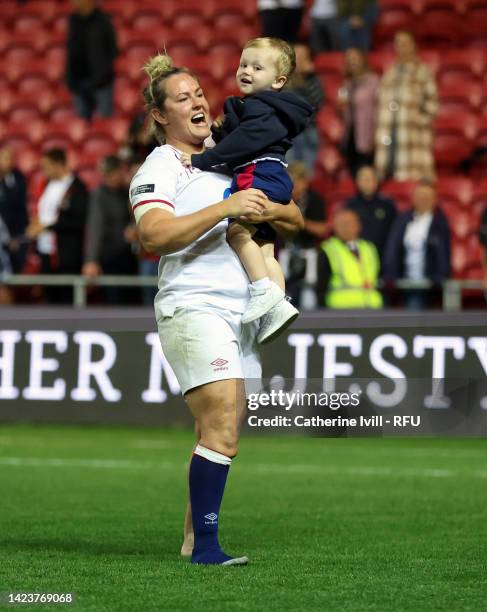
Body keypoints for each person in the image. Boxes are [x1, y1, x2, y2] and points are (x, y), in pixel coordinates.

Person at [129, 53, 304, 565]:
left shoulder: (231, 150)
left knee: (221, 432)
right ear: (161, 116)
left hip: (242, 308)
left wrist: (269, 209)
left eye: (199, 93)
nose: (199, 102)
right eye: (183, 99)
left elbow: (293, 217)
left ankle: (192, 539)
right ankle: (206, 548)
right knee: (223, 424)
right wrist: (227, 207)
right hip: (194, 304)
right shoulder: (162, 165)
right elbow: (152, 234)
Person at [181, 37, 313, 325]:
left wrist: (205, 158)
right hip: (271, 173)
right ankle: (278, 307)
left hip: (257, 173)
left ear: (278, 81)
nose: (246, 71)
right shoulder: (268, 109)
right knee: (265, 248)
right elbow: (244, 137)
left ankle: (263, 290)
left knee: (237, 232)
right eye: (243, 65)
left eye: (257, 67)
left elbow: (245, 142)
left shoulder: (262, 107)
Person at [26, 148, 89, 304]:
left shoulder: (77, 188)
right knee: (49, 296)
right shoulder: (45, 185)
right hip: (45, 250)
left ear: (58, 164)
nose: (44, 170)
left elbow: (78, 221)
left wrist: (46, 227)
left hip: (66, 254)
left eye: (46, 166)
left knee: (66, 297)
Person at [375, 31, 438, 181]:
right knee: (388, 179)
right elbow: (380, 102)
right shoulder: (389, 72)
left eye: (404, 43)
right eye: (397, 44)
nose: (400, 47)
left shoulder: (423, 72)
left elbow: (433, 104)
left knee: (411, 180)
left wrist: (418, 120)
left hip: (412, 137)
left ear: (413, 46)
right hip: (388, 135)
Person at [382, 180, 451, 309]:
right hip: (403, 281)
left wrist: (438, 279)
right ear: (413, 199)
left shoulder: (440, 223)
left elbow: (443, 254)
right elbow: (392, 248)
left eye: (427, 197)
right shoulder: (403, 220)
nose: (423, 200)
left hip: (427, 283)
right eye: (420, 196)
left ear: (435, 200)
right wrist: (390, 277)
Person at [82, 155, 138, 304]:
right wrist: (91, 260)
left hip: (130, 256)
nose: (110, 178)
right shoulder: (99, 195)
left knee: (133, 302)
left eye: (112, 173)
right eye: (107, 175)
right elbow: (95, 228)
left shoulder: (129, 191)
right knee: (114, 302)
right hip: (110, 257)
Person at [317, 208, 382, 308]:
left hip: (371, 309)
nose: (347, 228)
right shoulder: (328, 250)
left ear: (359, 225)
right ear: (335, 227)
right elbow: (321, 286)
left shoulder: (369, 248)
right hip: (341, 311)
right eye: (342, 224)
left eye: (350, 223)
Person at [285, 161, 328, 308]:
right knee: (285, 290)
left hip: (310, 254)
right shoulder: (282, 199)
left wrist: (299, 220)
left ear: (304, 182)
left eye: (295, 182)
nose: (292, 187)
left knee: (309, 293)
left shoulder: (315, 199)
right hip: (287, 252)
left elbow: (322, 229)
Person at [66, 0, 118, 120]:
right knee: (81, 125)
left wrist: (103, 71)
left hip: (101, 82)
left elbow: (113, 49)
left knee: (105, 123)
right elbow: (71, 49)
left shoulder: (103, 20)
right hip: (78, 81)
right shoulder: (73, 20)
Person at [337, 48, 379, 178]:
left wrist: (375, 135)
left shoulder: (373, 81)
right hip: (351, 135)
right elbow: (344, 112)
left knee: (366, 173)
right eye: (349, 59)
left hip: (367, 134)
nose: (352, 62)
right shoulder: (347, 83)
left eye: (355, 58)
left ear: (363, 60)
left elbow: (378, 110)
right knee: (352, 173)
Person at [286, 42, 325, 173]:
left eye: (303, 56)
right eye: (297, 56)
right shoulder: (283, 79)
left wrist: (309, 78)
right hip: (289, 132)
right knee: (290, 173)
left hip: (309, 131)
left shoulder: (312, 80)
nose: (300, 59)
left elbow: (318, 102)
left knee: (307, 174)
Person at [344, 165, 396, 258]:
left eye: (370, 179)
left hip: (383, 254)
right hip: (356, 256)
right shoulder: (349, 206)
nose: (367, 182)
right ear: (357, 182)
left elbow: (394, 234)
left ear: (376, 181)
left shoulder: (388, 205)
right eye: (363, 179)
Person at [0, 146, 28, 273]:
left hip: (13, 234)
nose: (8, 161)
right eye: (5, 158)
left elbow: (20, 211)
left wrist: (16, 237)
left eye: (10, 158)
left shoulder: (19, 179)